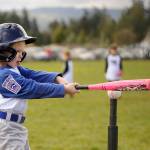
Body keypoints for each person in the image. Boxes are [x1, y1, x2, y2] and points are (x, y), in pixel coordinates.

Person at [0, 23, 79, 150]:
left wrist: (57, 78)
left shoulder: (14, 68)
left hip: (14, 127)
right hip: (7, 129)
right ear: (3, 52)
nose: (21, 55)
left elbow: (33, 74)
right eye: (17, 51)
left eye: (22, 51)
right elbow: (32, 88)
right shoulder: (4, 76)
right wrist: (63, 89)